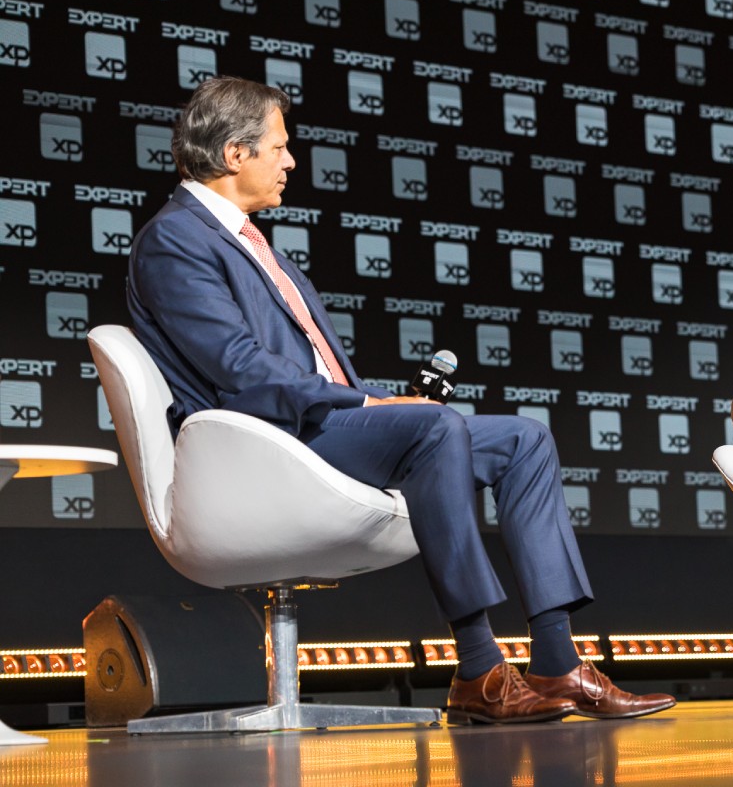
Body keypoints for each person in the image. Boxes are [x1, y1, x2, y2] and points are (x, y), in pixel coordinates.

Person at [127, 76, 675, 725]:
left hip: (319, 425)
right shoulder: (175, 241)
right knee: (437, 428)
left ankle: (556, 662)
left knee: (525, 441)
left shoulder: (249, 241)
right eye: (280, 147)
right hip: (272, 446)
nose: (292, 160)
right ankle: (478, 667)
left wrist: (382, 403)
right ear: (235, 154)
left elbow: (313, 368)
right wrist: (368, 411)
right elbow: (240, 371)